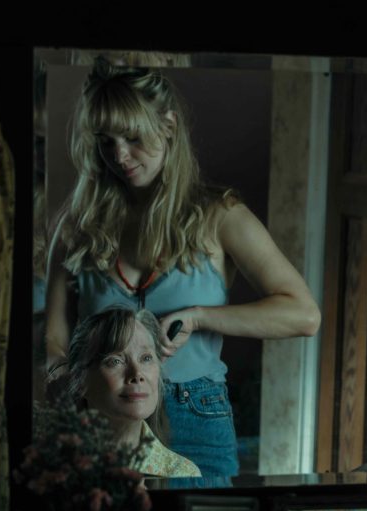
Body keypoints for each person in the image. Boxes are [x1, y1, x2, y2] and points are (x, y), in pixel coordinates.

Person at [44, 56, 321, 481]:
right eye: (106, 141)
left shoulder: (220, 215)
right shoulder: (78, 224)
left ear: (169, 126)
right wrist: (67, 383)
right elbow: (53, 337)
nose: (120, 155)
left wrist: (200, 317)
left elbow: (304, 315)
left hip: (196, 414)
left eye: (133, 137)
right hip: (102, 419)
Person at [58, 305, 201, 478]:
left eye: (146, 358)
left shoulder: (183, 474)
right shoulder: (49, 469)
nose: (137, 374)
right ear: (80, 381)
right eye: (115, 361)